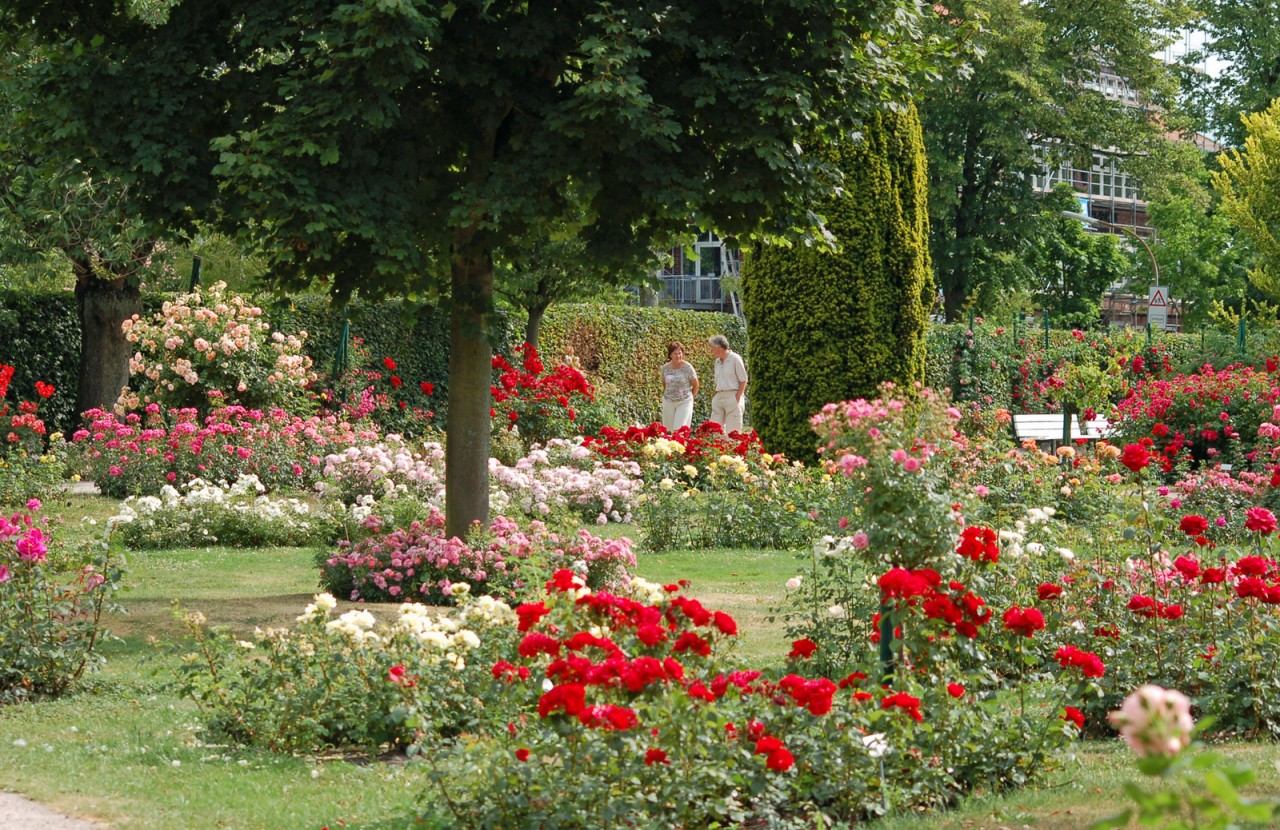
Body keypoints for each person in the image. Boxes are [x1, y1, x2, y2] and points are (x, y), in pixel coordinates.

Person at [708, 334, 747, 433]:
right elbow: (718, 381)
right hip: (719, 397)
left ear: (719, 348)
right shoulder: (717, 362)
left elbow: (743, 379)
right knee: (714, 431)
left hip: (732, 395)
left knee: (733, 432)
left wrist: (737, 397)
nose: (711, 351)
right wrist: (715, 396)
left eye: (712, 348)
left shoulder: (735, 358)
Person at [660, 341, 699, 431]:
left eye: (680, 353)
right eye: (675, 353)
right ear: (670, 355)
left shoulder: (688, 367)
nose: (678, 356)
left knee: (679, 428)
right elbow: (664, 383)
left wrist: (691, 398)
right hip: (668, 401)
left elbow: (696, 385)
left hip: (684, 401)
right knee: (668, 430)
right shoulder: (665, 368)